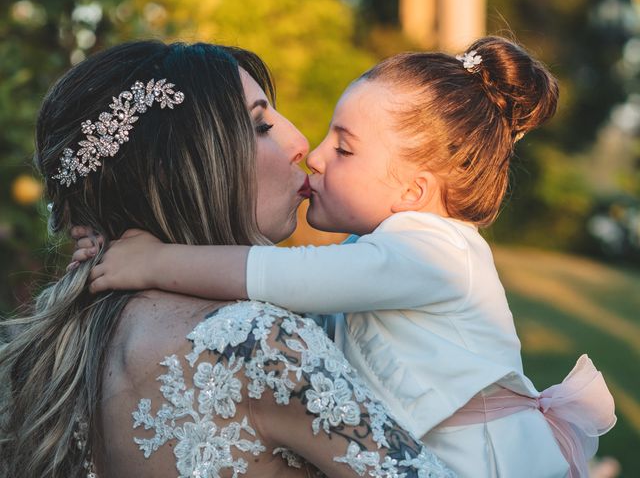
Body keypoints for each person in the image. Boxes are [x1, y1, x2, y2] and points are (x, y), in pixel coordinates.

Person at [74, 37, 616, 478]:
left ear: (412, 192)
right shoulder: (378, 254)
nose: (312, 152)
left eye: (345, 147)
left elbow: (282, 279)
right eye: (265, 125)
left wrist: (152, 261)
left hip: (492, 459)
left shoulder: (435, 249)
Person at [0, 41, 455, 478]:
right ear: (181, 167)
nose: (302, 144)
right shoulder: (256, 342)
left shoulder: (40, 355)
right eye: (261, 127)